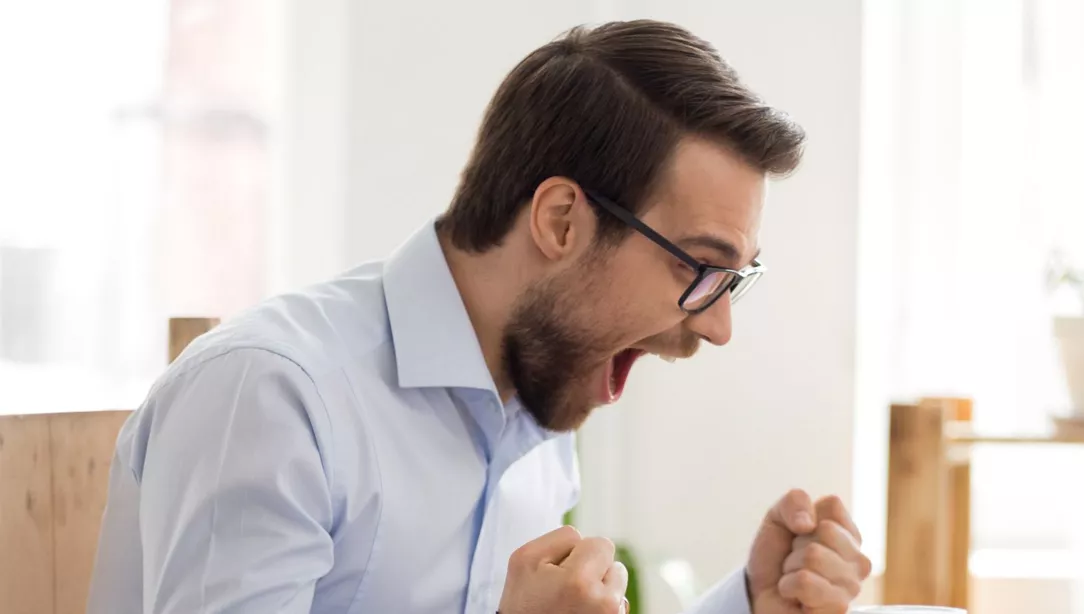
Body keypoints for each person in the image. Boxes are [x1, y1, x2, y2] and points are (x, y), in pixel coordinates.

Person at [87, 19, 871, 614]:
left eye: (736, 281)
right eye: (699, 267)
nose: (716, 326)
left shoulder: (541, 403)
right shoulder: (270, 395)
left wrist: (746, 602)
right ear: (562, 221)